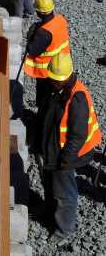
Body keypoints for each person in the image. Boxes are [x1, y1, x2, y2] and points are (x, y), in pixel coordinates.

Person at [38, 53, 102, 246]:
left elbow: (77, 135)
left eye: (55, 80)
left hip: (65, 156)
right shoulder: (59, 89)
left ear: (67, 77)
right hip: (53, 150)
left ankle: (64, 229)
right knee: (49, 184)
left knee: (64, 193)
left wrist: (65, 159)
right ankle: (49, 212)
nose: (52, 82)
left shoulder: (77, 98)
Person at [24, 0, 71, 108]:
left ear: (39, 12)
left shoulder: (43, 33)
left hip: (46, 72)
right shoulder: (60, 20)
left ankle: (42, 112)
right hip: (62, 63)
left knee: (43, 96)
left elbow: (32, 50)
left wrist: (30, 35)